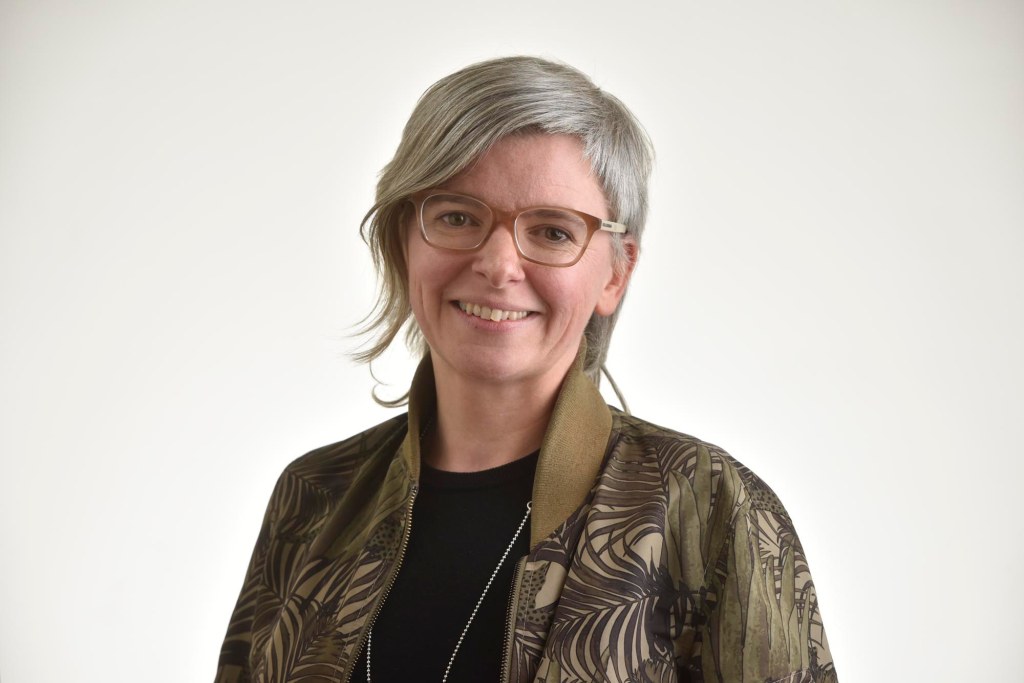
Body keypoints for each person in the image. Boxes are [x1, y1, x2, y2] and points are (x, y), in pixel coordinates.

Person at [215, 56, 837, 683]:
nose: (498, 263)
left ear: (615, 273)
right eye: (457, 216)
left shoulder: (710, 507)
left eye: (552, 232)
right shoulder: (315, 497)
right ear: (407, 240)